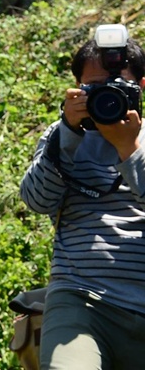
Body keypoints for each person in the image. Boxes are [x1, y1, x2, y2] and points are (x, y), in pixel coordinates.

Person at [20, 27, 145, 370]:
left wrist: (128, 147)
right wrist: (69, 136)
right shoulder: (63, 135)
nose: (107, 97)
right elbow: (36, 200)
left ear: (142, 88)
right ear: (76, 90)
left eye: (119, 88)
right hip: (81, 299)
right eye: (95, 89)